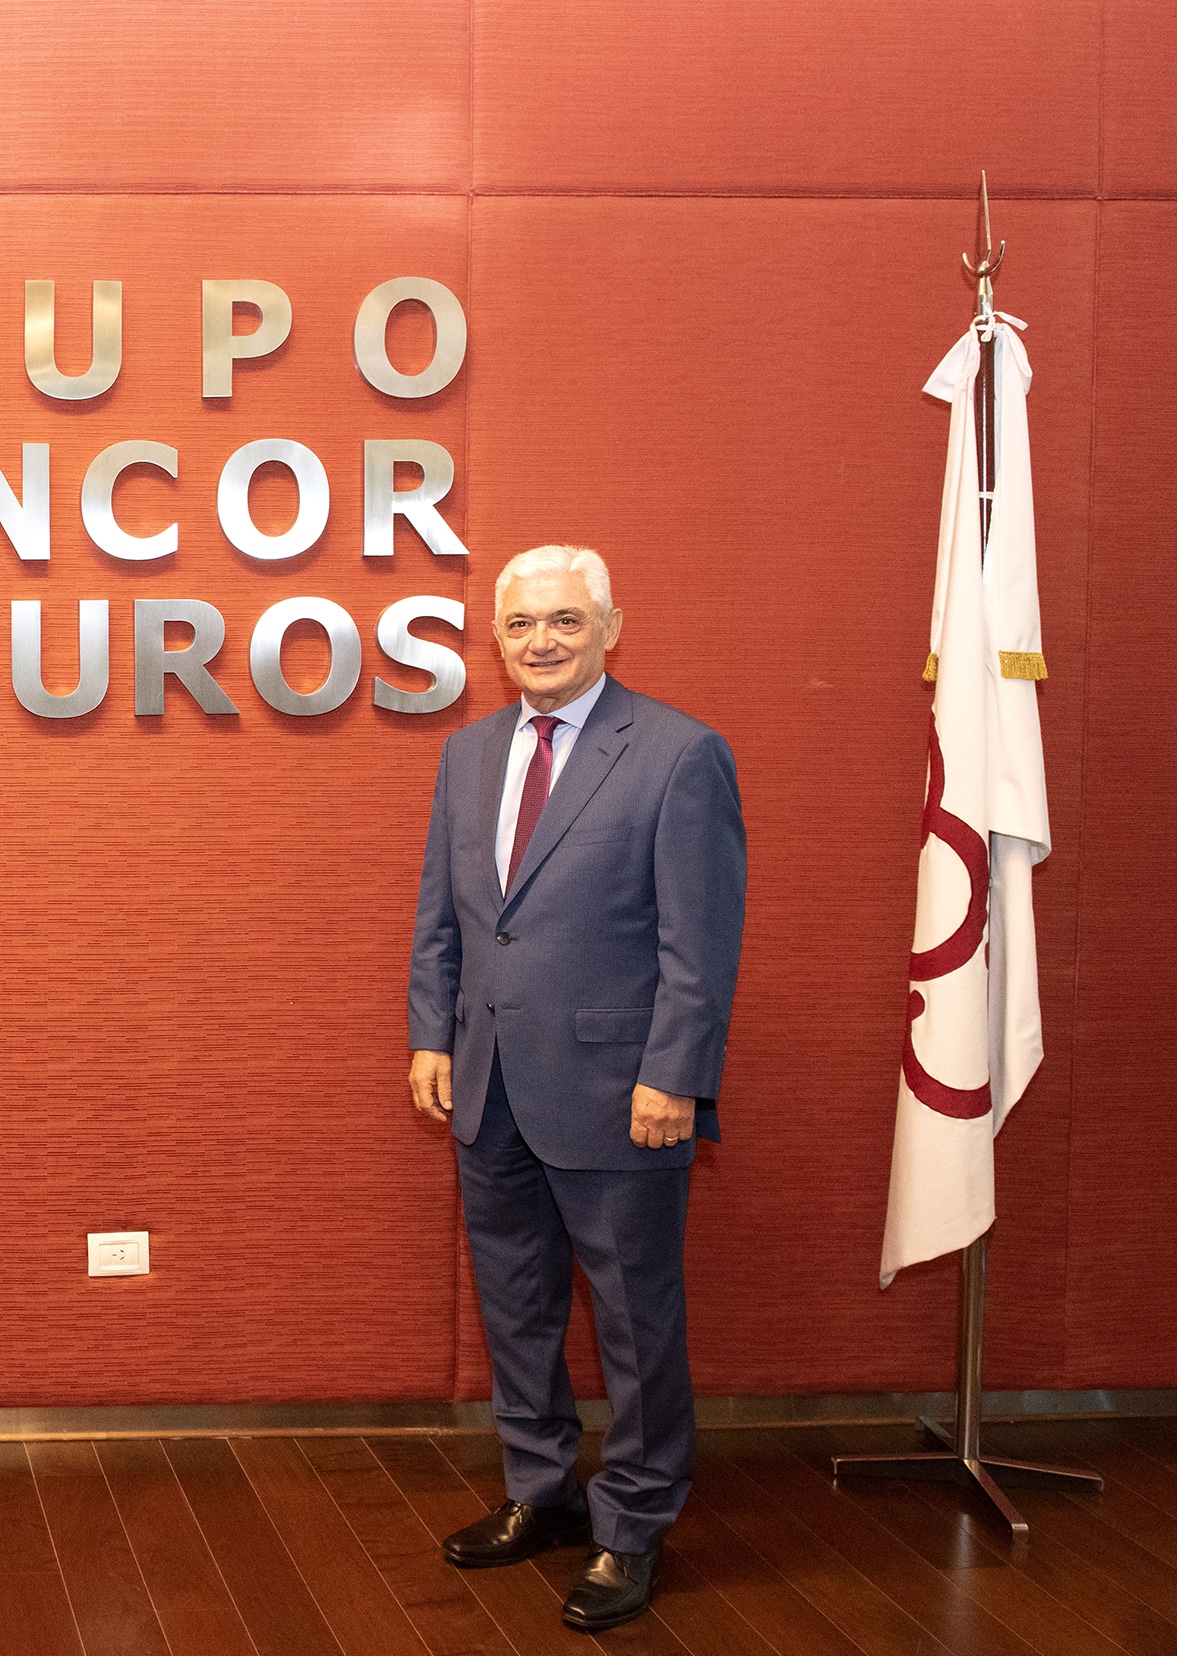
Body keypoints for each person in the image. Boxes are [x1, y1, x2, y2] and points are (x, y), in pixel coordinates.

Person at [407, 544, 746, 1632]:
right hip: (487, 1081)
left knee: (636, 1323)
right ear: (495, 639)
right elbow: (445, 915)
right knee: (515, 1304)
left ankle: (632, 1525)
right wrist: (432, 1036)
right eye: (520, 624)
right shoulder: (467, 753)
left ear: (609, 628)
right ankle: (540, 1490)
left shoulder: (678, 753)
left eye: (563, 620)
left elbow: (700, 940)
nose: (540, 641)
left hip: (620, 1090)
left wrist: (675, 1075)